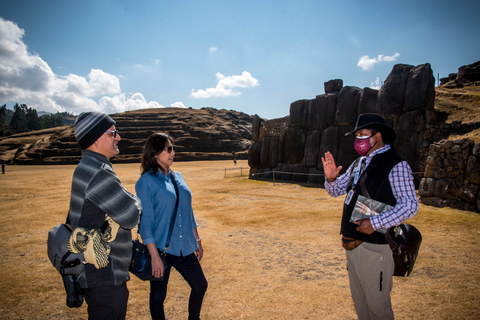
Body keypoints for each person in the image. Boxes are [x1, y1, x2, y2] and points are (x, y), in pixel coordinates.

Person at [321, 113, 419, 320]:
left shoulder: (396, 164)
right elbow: (336, 190)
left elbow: (410, 206)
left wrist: (375, 223)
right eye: (357, 135)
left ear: (378, 136)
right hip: (352, 246)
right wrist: (331, 179)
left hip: (375, 248)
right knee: (361, 303)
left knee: (377, 307)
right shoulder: (359, 163)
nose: (359, 140)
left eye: (363, 134)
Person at [68, 112, 142, 320]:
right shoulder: (98, 171)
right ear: (96, 138)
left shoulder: (87, 167)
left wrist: (127, 198)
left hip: (96, 273)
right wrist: (135, 199)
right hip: (105, 276)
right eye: (113, 133)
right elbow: (130, 215)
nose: (118, 137)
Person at [135, 133, 208, 320]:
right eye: (168, 149)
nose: (173, 152)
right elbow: (146, 223)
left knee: (200, 285)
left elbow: (187, 211)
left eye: (173, 148)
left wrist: (197, 239)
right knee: (158, 296)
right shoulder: (146, 182)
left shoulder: (178, 177)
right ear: (155, 152)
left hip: (184, 246)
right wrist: (154, 257)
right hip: (161, 250)